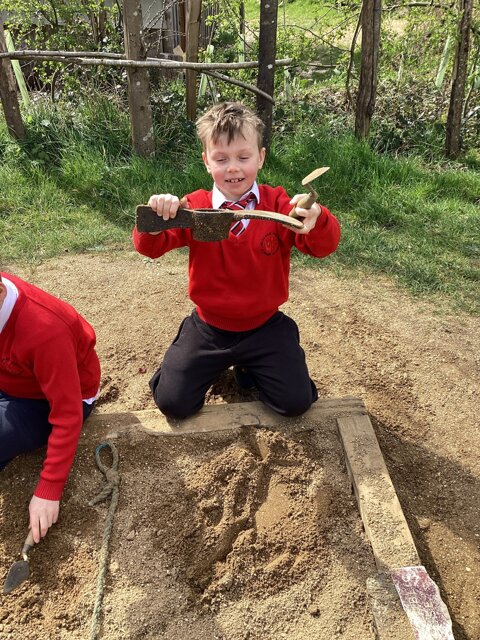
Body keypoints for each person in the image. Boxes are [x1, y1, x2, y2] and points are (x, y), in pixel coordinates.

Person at [133, 101, 340, 420]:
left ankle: (251, 366)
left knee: (295, 403)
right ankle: (198, 360)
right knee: (173, 403)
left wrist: (317, 218)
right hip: (209, 327)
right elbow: (149, 247)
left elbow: (323, 246)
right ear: (206, 161)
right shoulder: (194, 207)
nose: (233, 168)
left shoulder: (280, 206)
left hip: (265, 327)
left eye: (243, 157)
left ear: (261, 157)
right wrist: (157, 217)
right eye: (221, 159)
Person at [0, 272, 101, 543]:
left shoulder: (45, 330)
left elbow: (67, 414)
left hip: (51, 399)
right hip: (12, 379)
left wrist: (49, 489)